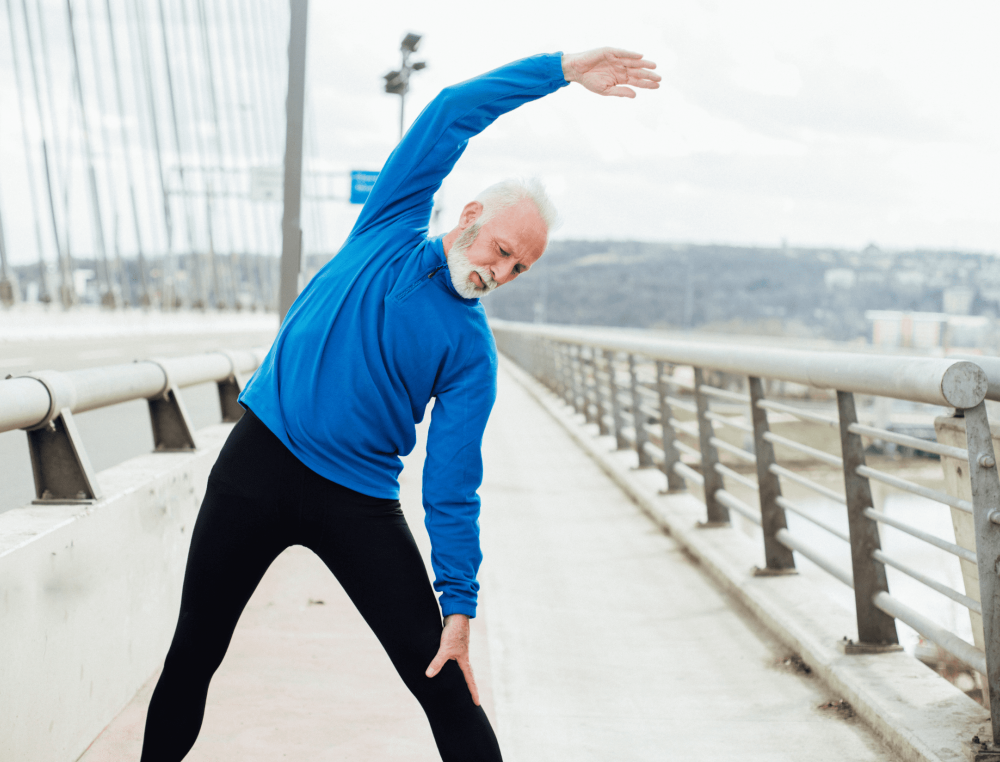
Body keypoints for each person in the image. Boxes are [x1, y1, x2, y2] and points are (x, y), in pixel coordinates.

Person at [139, 47, 659, 762]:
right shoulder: (390, 221)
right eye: (503, 249)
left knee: (444, 678)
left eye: (518, 269)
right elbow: (450, 112)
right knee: (193, 652)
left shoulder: (473, 351)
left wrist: (460, 604)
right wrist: (562, 69)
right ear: (471, 215)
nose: (500, 273)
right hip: (256, 465)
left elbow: (451, 484)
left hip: (356, 502)